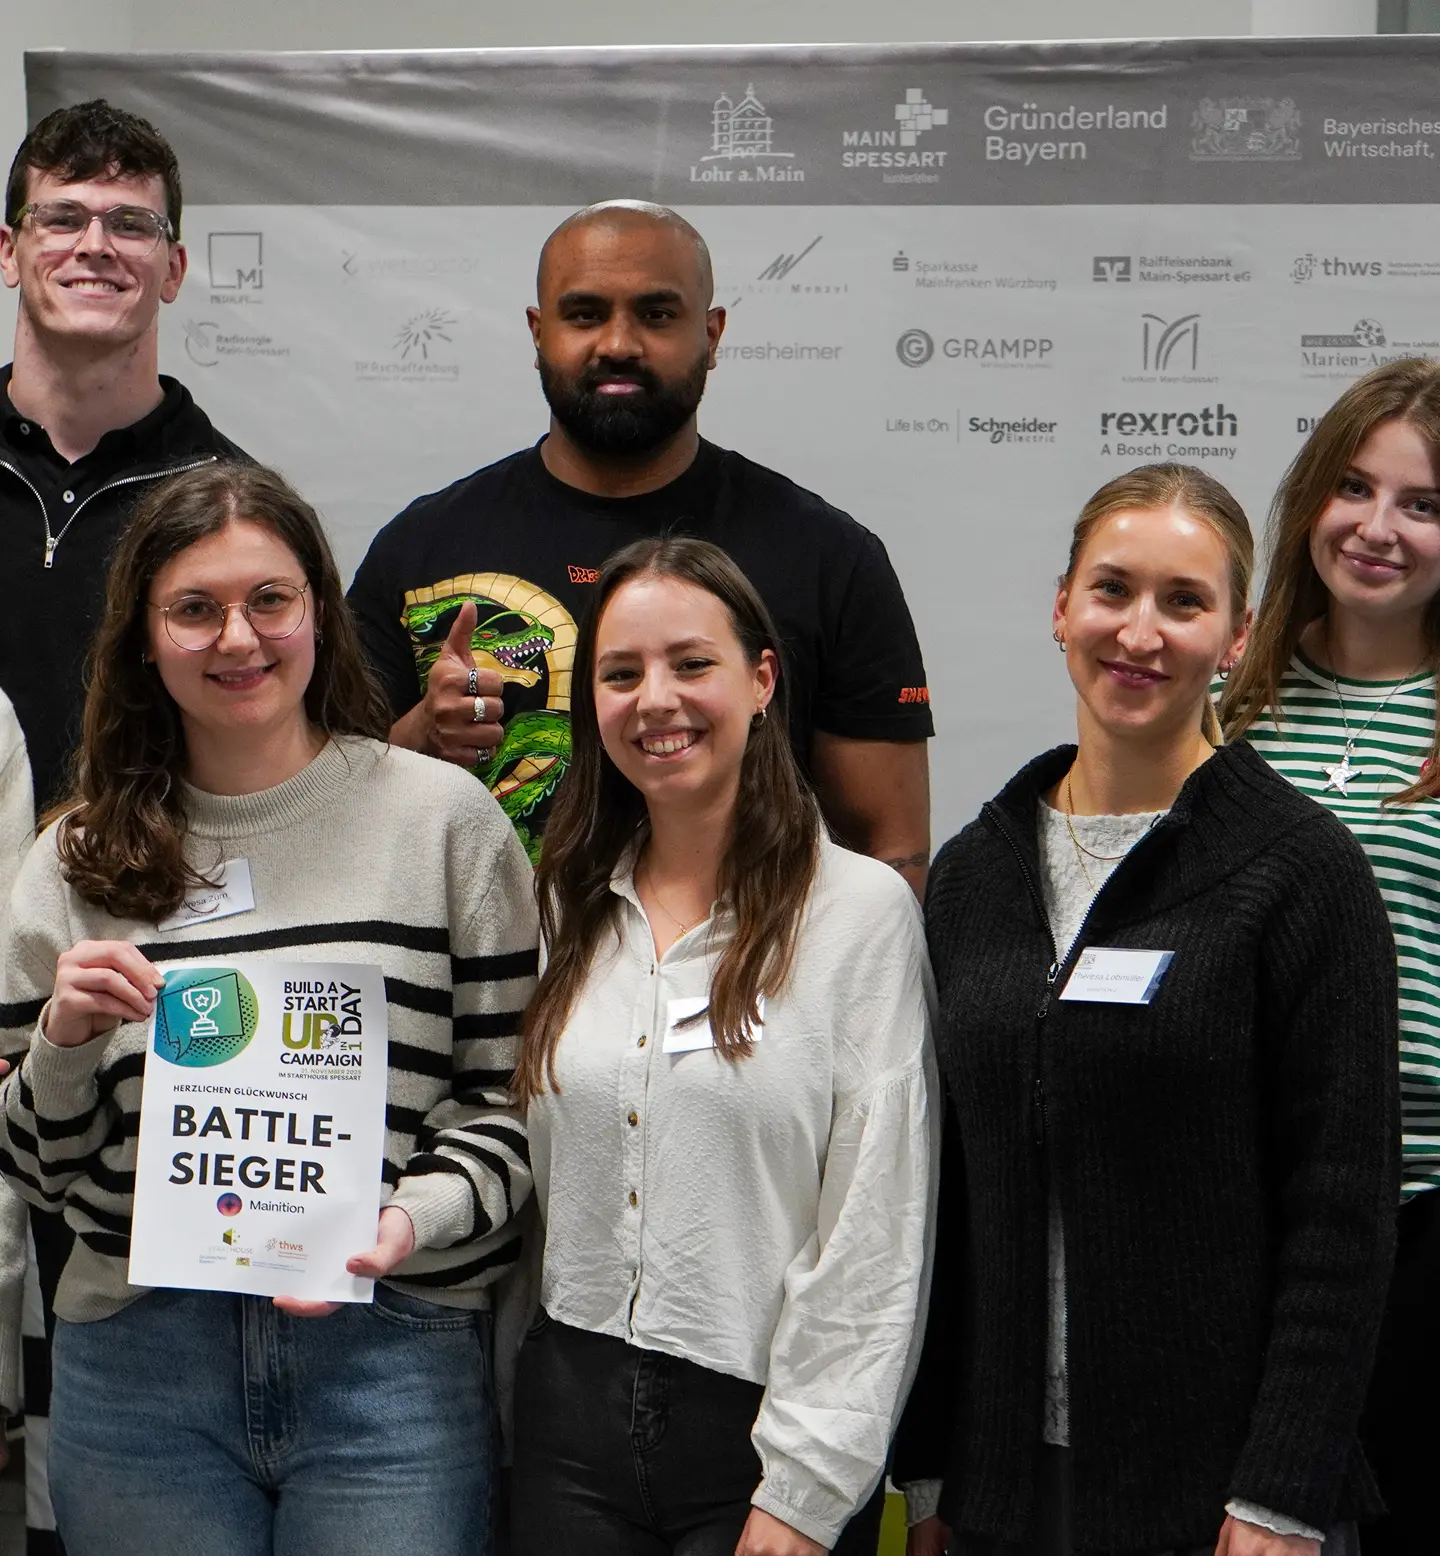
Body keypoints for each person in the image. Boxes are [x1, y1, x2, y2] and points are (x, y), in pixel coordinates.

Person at [0, 462, 538, 1556]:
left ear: (319, 616)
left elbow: (514, 1101)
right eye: (194, 608)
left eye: (270, 601)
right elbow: (33, 1168)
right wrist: (61, 1043)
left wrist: (405, 1224)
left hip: (389, 1353)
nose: (236, 638)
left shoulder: (443, 823)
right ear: (144, 638)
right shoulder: (74, 860)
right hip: (141, 1361)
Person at [897, 464, 1398, 1556]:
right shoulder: (978, 873)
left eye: (1184, 600)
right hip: (1002, 1493)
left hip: (1219, 1500)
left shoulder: (1304, 872)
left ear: (1236, 634)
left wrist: (1280, 1492)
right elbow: (945, 1197)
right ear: (1061, 606)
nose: (1140, 630)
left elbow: (1343, 1215)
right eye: (1113, 589)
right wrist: (932, 1471)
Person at [507, 536, 936, 1556]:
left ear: (761, 678)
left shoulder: (859, 914)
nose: (655, 698)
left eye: (691, 662)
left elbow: (878, 1224)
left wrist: (807, 1482)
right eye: (621, 672)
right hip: (564, 1425)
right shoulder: (563, 904)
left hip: (755, 1438)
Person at [347, 200, 932, 903]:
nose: (618, 344)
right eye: (586, 314)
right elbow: (328, 813)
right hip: (477, 998)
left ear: (712, 334)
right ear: (539, 332)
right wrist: (419, 740)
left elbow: (889, 854)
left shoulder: (829, 558)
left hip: (741, 993)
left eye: (656, 315)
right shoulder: (420, 549)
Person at [0, 100, 245, 1545]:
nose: (95, 245)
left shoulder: (227, 508)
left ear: (176, 265)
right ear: (11, 247)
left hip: (120, 1011)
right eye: (65, 216)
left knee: (92, 1427)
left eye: (129, 223)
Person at [1219, 359, 1440, 1556]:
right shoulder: (1228, 698)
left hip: (1423, 1212)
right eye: (1354, 486)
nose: (1379, 527)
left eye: (1425, 503)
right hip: (1251, 1211)